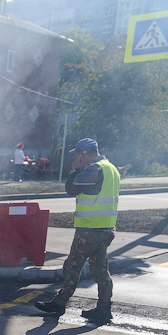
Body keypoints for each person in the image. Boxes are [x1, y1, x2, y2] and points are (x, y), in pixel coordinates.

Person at [35, 138, 120, 324]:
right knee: (100, 270)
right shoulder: (111, 168)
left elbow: (71, 187)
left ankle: (59, 303)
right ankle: (104, 309)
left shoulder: (94, 169)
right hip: (106, 229)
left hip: (89, 229)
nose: (75, 158)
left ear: (83, 155)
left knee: (72, 266)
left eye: (76, 155)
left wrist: (74, 169)